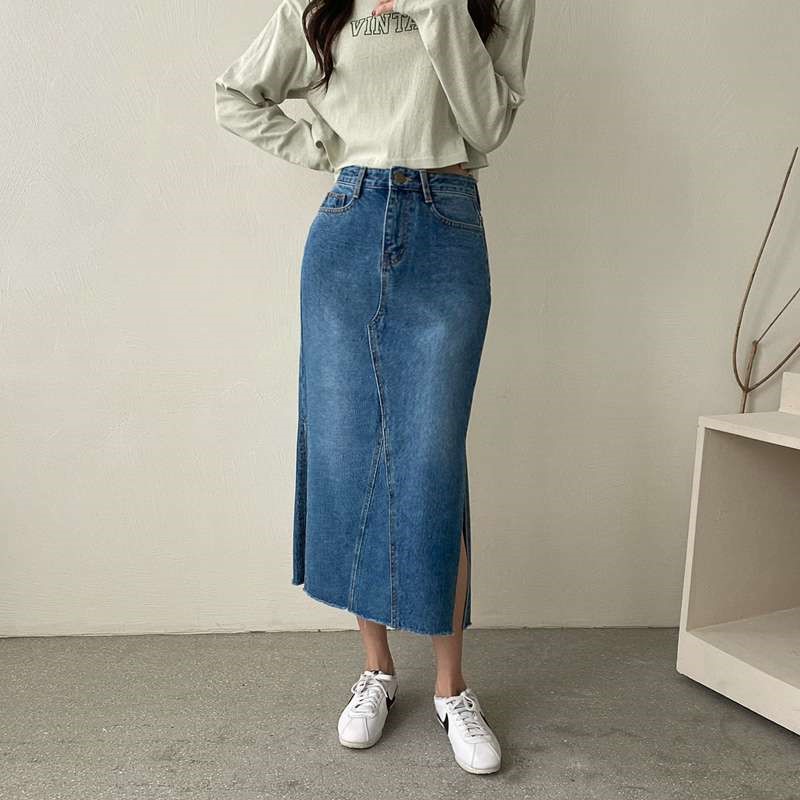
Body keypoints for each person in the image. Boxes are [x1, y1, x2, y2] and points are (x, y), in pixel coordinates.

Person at [214, 0, 535, 775]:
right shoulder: (322, 5)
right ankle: (377, 670)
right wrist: (323, 144)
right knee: (350, 452)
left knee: (431, 462)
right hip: (349, 225)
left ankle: (452, 688)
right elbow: (235, 95)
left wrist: (437, 9)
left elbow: (488, 124)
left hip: (448, 224)